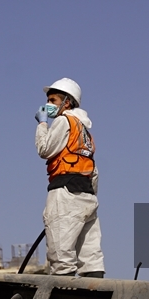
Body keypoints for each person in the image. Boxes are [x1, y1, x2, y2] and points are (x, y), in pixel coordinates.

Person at [34, 78, 104, 278]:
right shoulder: (84, 131)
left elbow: (44, 149)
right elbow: (93, 170)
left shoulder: (64, 121)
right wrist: (91, 197)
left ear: (67, 102)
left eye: (53, 100)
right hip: (87, 195)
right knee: (90, 257)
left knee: (61, 255)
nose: (48, 105)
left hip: (65, 193)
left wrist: (41, 123)